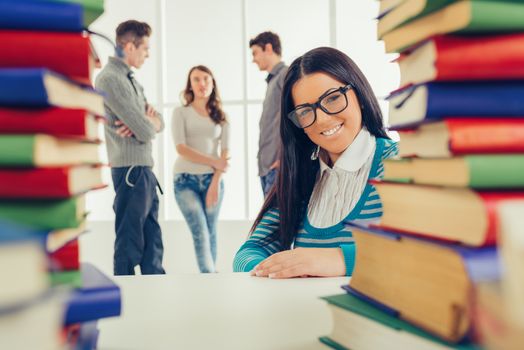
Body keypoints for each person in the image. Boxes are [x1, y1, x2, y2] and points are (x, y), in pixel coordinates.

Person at [233, 47, 398, 278]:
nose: (321, 119)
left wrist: (335, 260)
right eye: (305, 111)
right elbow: (250, 251)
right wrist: (277, 271)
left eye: (332, 99)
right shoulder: (302, 176)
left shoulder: (399, 163)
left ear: (359, 96)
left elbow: (427, 250)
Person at [95, 20, 165, 275]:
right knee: (129, 242)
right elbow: (147, 130)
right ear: (127, 46)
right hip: (130, 171)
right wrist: (146, 123)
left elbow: (159, 122)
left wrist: (146, 121)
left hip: (143, 170)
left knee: (152, 242)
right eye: (144, 48)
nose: (147, 54)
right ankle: (124, 299)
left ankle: (155, 299)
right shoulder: (110, 79)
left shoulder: (131, 79)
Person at [172, 65, 230, 273]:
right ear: (190, 85)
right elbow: (181, 148)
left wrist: (215, 182)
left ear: (212, 83)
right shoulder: (180, 113)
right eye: (196, 79)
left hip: (212, 181)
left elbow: (224, 155)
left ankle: (210, 281)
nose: (201, 83)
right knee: (200, 232)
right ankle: (210, 277)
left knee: (211, 231)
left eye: (206, 79)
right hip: (184, 181)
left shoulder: (221, 117)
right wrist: (213, 161)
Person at [249, 31, 288, 197]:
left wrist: (283, 158)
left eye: (255, 53)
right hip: (268, 168)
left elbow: (294, 117)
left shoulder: (285, 75)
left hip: (277, 166)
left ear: (269, 48)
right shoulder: (273, 80)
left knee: (274, 222)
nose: (253, 59)